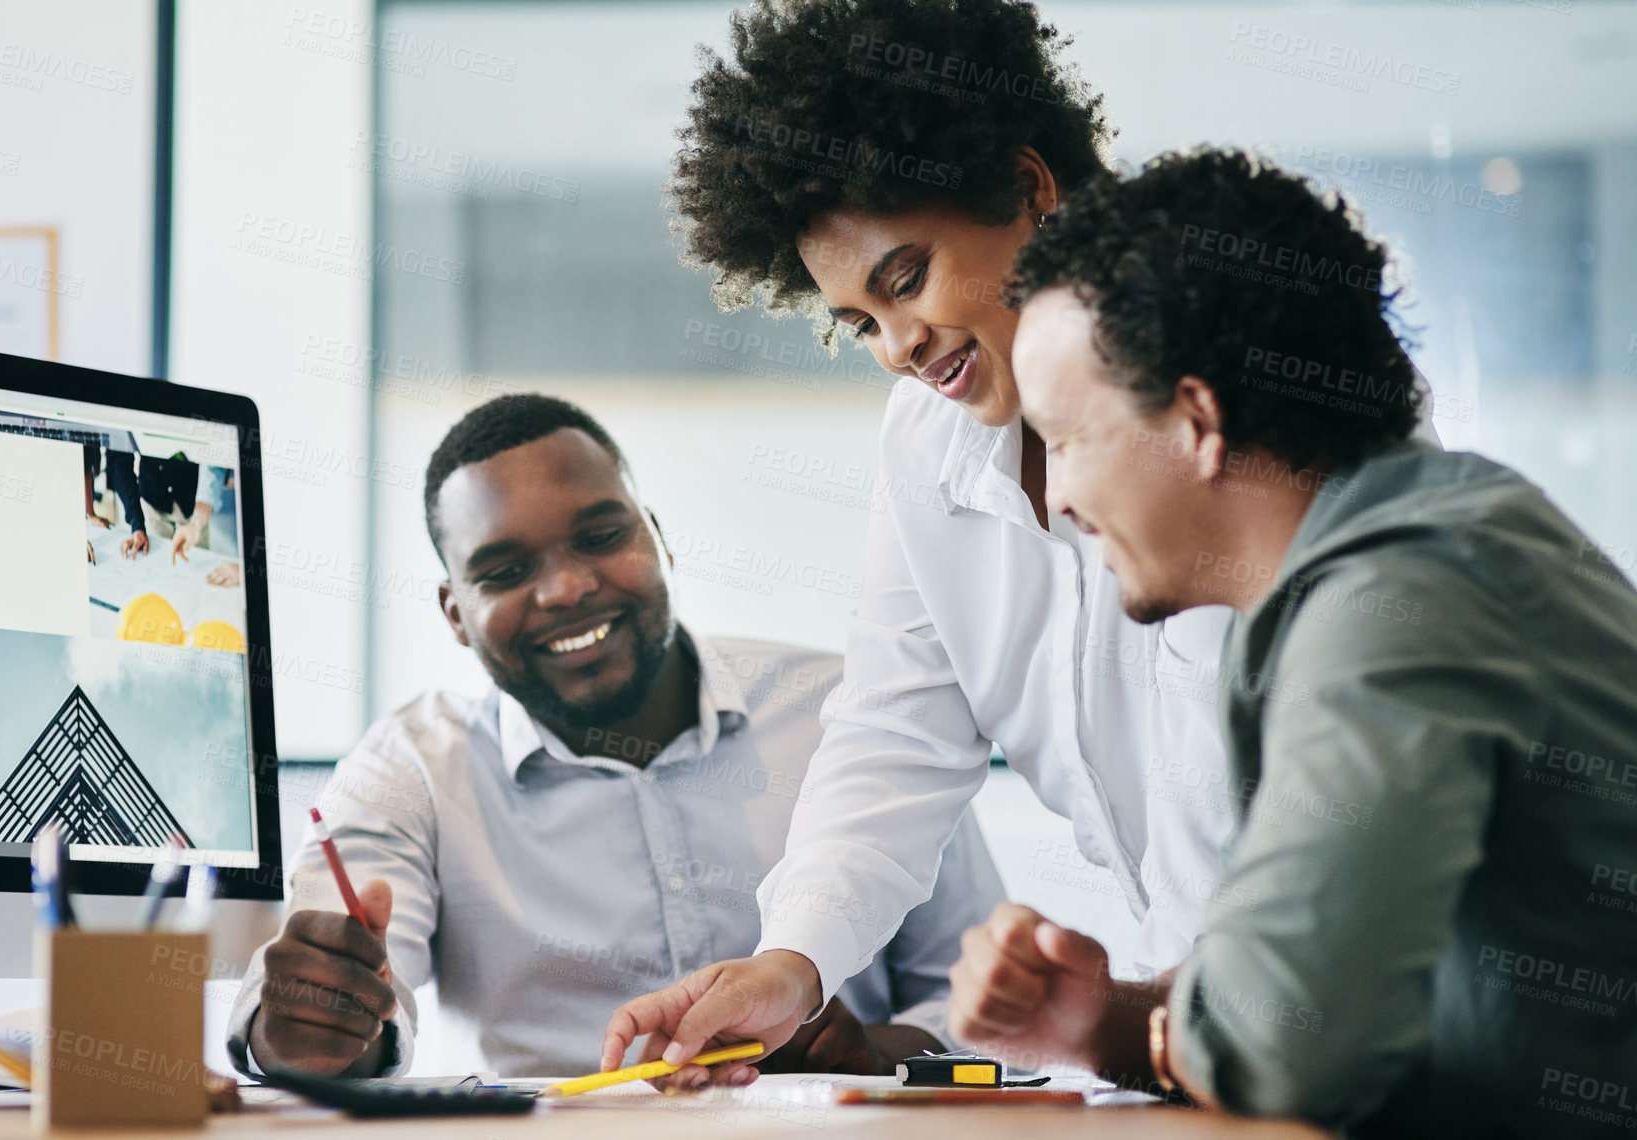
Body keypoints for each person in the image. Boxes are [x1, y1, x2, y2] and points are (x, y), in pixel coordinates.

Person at [602, 0, 1282, 1083]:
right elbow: (895, 735)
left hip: (1334, 1028)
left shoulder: (1250, 403)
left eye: (905, 279)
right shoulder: (931, 441)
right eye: (860, 323)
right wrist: (793, 964)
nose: (898, 349)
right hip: (1185, 1050)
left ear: (1028, 187)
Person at [944, 147, 1637, 1138]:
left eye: (1067, 438)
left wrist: (1167, 1031)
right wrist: (1102, 1022)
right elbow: (1333, 998)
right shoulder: (1430, 541)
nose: (1055, 496)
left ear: (1197, 421)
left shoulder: (1395, 603)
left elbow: (1289, 1050)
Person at [225, 393, 1003, 1079]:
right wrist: (304, 1028)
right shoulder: (410, 770)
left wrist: (875, 1050)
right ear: (454, 613)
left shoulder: (851, 713)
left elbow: (985, 1006)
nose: (565, 587)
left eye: (600, 536)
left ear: (658, 537)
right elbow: (345, 998)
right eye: (503, 571)